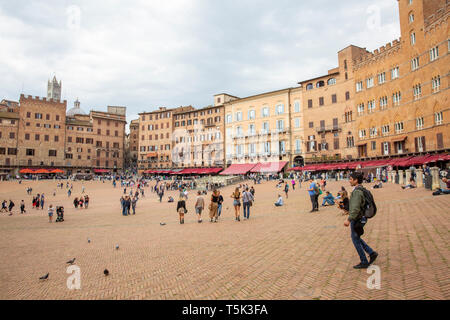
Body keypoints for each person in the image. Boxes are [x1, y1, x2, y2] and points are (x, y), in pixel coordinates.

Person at [344, 172, 378, 269]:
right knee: (356, 237)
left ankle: (364, 261)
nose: (349, 180)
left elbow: (355, 208)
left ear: (356, 180)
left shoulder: (357, 192)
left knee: (355, 239)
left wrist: (348, 219)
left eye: (351, 179)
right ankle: (371, 253)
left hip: (357, 218)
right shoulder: (361, 189)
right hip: (361, 217)